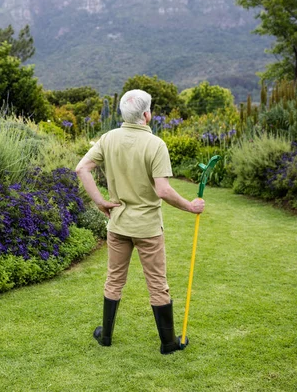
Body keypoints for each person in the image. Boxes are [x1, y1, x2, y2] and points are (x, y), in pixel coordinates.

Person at [75, 89, 205, 354]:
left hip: (118, 224)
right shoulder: (156, 144)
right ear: (147, 114)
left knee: (114, 280)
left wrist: (100, 202)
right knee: (157, 284)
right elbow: (163, 191)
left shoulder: (108, 138)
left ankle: (106, 337)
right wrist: (190, 207)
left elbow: (81, 169)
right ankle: (168, 343)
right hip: (147, 229)